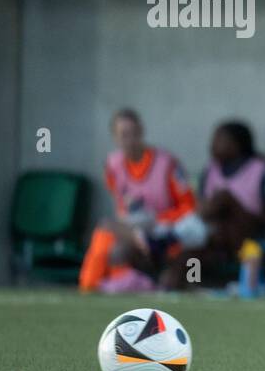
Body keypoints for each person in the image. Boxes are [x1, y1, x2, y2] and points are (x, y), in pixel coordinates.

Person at [78, 108, 198, 293]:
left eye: (134, 133)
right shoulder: (112, 166)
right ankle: (94, 283)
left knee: (107, 227)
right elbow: (121, 205)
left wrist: (159, 219)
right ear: (115, 138)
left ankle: (96, 284)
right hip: (134, 228)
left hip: (166, 228)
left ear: (142, 132)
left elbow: (189, 206)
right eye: (124, 135)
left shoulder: (167, 164)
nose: (130, 140)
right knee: (108, 236)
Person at [162, 120, 265, 289]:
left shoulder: (264, 168)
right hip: (217, 240)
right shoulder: (211, 169)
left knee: (225, 197)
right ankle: (182, 290)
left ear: (237, 144)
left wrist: (235, 207)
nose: (212, 145)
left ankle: (175, 233)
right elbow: (204, 208)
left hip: (253, 239)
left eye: (220, 140)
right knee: (186, 259)